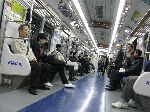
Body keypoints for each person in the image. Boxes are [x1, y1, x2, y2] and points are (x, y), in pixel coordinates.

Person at [11, 24, 50, 95]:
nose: (27, 32)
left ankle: (40, 84)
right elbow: (19, 53)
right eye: (26, 30)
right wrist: (30, 59)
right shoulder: (16, 41)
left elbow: (31, 52)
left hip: (30, 60)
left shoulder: (26, 42)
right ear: (20, 31)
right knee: (37, 66)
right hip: (23, 61)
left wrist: (34, 59)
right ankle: (32, 87)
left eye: (28, 31)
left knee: (46, 66)